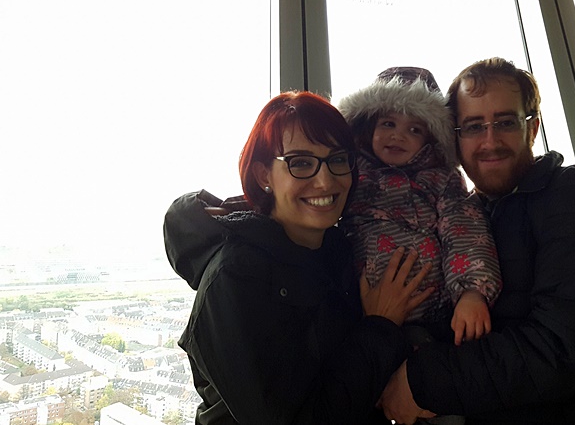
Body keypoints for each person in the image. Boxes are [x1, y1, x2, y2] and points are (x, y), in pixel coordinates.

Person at [378, 57, 575, 424]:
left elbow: (567, 348)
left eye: (506, 122)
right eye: (473, 126)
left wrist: (425, 380)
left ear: (533, 127)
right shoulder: (468, 219)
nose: (490, 141)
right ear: (455, 138)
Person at [164, 91, 434, 424]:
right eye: (301, 163)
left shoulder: (338, 249)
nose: (325, 181)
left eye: (337, 159)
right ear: (264, 175)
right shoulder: (235, 276)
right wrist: (381, 326)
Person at [336, 67, 501, 347]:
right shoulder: (352, 172)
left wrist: (471, 292)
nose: (397, 136)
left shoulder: (440, 179)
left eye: (414, 129)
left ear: (430, 139)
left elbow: (463, 229)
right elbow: (318, 207)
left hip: (431, 315)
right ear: (369, 126)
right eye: (388, 123)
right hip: (355, 309)